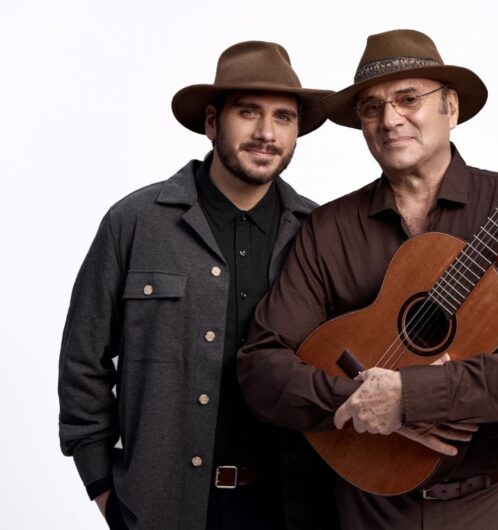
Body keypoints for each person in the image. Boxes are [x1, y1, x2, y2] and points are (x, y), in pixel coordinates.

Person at [238, 30, 498, 529]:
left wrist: (412, 395)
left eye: (409, 98)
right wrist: (361, 403)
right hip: (369, 510)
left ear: (450, 108)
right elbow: (261, 366)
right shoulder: (330, 228)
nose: (390, 119)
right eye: (372, 108)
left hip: (497, 507)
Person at [58, 41, 337, 530]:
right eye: (248, 112)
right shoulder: (135, 223)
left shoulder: (320, 233)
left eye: (283, 117)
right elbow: (84, 359)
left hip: (295, 508)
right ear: (212, 122)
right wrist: (101, 484)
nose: (266, 132)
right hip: (165, 508)